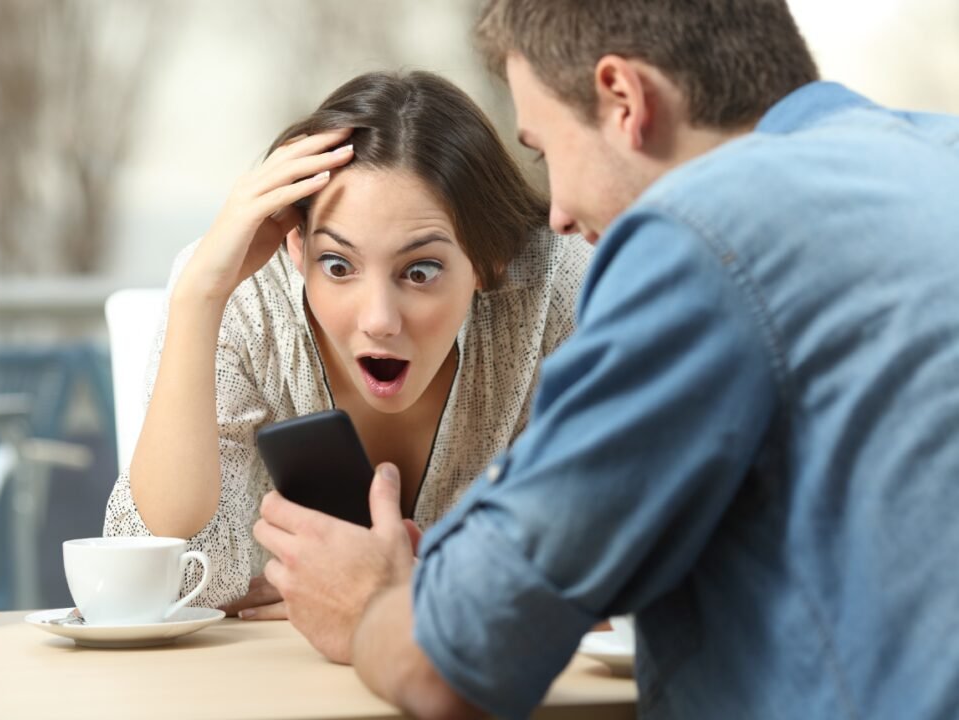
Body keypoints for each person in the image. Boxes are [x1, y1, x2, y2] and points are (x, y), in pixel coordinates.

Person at [253, 1, 959, 717]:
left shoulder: (698, 231)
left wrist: (372, 601)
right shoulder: (938, 156)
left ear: (625, 100)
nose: (555, 213)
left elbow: (454, 660)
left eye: (543, 148)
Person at [103, 70, 592, 618]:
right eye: (338, 265)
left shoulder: (559, 285)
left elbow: (611, 550)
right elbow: (159, 581)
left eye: (421, 271)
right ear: (295, 247)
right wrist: (197, 297)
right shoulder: (240, 294)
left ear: (487, 259)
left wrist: (395, 589)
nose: (379, 320)